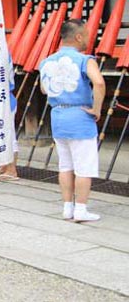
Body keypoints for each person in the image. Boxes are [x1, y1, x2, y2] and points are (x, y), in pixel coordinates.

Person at [39, 19, 105, 222]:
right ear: (78, 36)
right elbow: (99, 82)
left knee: (65, 165)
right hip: (80, 117)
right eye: (86, 34)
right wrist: (96, 108)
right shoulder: (85, 60)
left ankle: (68, 207)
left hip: (58, 116)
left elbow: (44, 89)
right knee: (84, 166)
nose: (88, 38)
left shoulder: (46, 62)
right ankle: (81, 209)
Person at [0, 54, 20, 181]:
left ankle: (11, 169)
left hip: (4, 99)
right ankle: (4, 164)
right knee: (0, 133)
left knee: (8, 135)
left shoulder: (1, 53)